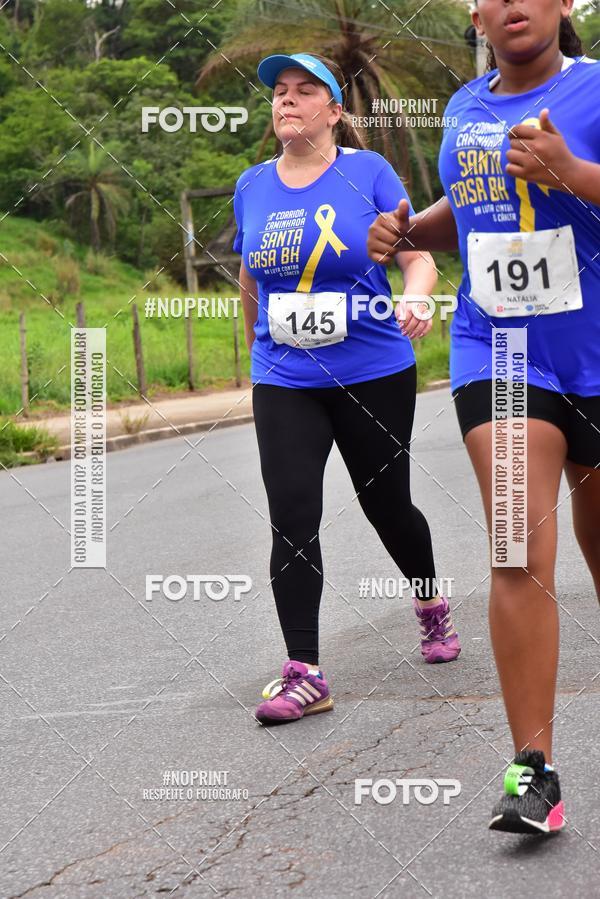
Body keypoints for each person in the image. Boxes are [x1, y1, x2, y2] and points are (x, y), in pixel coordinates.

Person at [368, 0, 600, 834]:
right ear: (475, 11)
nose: (511, 6)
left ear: (564, 4)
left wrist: (572, 172)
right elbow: (467, 211)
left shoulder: (598, 91)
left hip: (598, 353)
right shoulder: (466, 107)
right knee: (515, 542)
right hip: (498, 349)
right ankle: (533, 771)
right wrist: (405, 229)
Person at [231, 52, 461, 726]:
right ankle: (304, 670)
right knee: (293, 513)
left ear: (334, 111)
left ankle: (428, 597)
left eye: (306, 92)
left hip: (372, 369)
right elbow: (250, 279)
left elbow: (417, 256)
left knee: (387, 504)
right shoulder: (251, 185)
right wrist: (259, 355)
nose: (288, 101)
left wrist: (417, 299)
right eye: (279, 91)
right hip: (284, 377)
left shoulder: (368, 172)